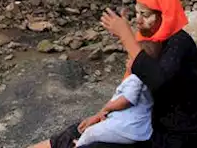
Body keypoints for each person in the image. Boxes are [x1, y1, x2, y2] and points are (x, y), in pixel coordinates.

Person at [101, 0, 197, 148]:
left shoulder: (179, 43)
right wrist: (103, 113)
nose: (138, 20)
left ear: (164, 15)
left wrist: (126, 36)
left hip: (176, 139)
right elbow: (130, 86)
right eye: (137, 13)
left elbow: (159, 81)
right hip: (147, 128)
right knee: (74, 133)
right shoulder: (152, 40)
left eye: (145, 14)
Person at [31, 42, 160, 148]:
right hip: (135, 128)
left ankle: (78, 144)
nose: (126, 61)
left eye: (130, 58)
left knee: (91, 132)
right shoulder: (143, 78)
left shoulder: (136, 79)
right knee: (80, 131)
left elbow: (126, 100)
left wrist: (107, 108)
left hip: (127, 128)